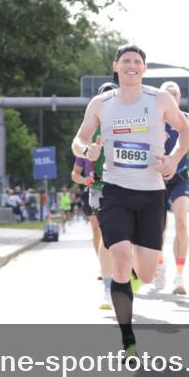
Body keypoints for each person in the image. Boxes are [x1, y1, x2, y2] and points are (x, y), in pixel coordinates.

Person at [72, 44, 189, 356]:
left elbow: (185, 130)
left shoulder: (159, 99)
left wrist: (175, 158)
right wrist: (87, 150)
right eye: (125, 61)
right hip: (116, 190)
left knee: (148, 273)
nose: (131, 66)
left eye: (137, 62)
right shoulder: (101, 103)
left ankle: (146, 270)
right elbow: (79, 139)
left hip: (152, 193)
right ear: (116, 66)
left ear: (144, 69)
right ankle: (128, 338)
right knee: (121, 256)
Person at [73, 80, 119, 309]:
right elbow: (76, 169)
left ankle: (120, 271)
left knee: (122, 236)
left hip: (126, 185)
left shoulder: (127, 121)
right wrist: (87, 154)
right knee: (104, 232)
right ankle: (108, 284)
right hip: (98, 186)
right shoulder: (91, 131)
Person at [156, 81, 189, 295]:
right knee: (159, 228)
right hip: (156, 177)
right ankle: (160, 263)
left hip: (180, 176)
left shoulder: (188, 118)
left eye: (175, 93)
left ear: (180, 96)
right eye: (167, 93)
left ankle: (180, 276)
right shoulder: (154, 117)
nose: (171, 96)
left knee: (182, 223)